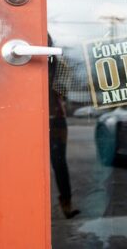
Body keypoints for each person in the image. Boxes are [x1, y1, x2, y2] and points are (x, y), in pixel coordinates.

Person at [48, 35, 80, 219]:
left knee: (59, 162)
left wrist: (51, 70)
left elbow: (61, 92)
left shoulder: (59, 66)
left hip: (55, 119)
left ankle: (66, 203)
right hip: (31, 119)